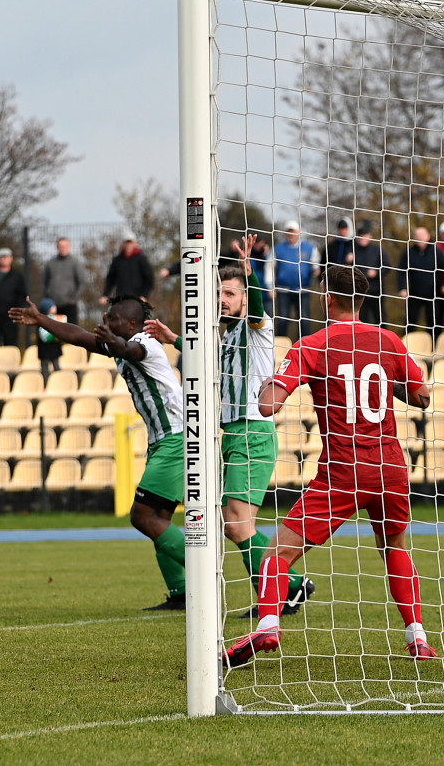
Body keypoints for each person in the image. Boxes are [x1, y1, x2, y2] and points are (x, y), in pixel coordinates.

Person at [225, 264, 436, 667]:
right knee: (393, 545)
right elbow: (423, 398)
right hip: (391, 466)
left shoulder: (313, 344)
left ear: (327, 298)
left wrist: (274, 381)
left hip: (344, 470)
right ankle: (418, 638)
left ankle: (268, 623)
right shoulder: (389, 340)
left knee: (277, 554)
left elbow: (268, 405)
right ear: (361, 299)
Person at [145, 235, 312, 618]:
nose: (223, 299)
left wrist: (251, 277)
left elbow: (256, 309)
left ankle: (287, 588)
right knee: (234, 524)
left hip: (253, 433)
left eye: (231, 293)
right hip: (235, 435)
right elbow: (207, 357)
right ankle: (285, 590)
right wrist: (173, 338)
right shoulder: (227, 333)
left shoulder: (257, 325)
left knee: (236, 526)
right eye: (219, 292)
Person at [11, 295, 187, 610]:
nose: (106, 322)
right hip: (164, 439)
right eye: (106, 317)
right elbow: (78, 337)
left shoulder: (142, 342)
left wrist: (115, 342)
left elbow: (132, 351)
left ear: (132, 324)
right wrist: (41, 320)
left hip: (176, 439)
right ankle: (182, 592)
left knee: (142, 516)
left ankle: (204, 569)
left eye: (114, 319)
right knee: (159, 518)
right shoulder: (119, 342)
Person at [272, 220, 319, 340]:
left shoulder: (309, 248)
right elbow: (270, 268)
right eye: (289, 232)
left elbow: (316, 264)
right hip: (283, 290)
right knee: (283, 319)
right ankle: (281, 349)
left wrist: (316, 270)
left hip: (303, 290)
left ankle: (304, 346)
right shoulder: (278, 249)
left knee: (304, 319)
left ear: (298, 232)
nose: (291, 234)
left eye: (293, 232)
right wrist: (271, 286)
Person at [397, 226, 438, 335]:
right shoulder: (409, 252)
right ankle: (407, 345)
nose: (420, 238)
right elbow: (401, 271)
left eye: (422, 236)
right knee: (410, 321)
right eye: (417, 236)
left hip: (433, 293)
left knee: (433, 321)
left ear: (428, 236)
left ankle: (433, 346)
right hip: (414, 292)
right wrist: (403, 288)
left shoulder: (435, 251)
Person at [351, 222, 392, 329]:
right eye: (360, 236)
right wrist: (348, 261)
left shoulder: (377, 250)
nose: (362, 238)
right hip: (359, 292)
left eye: (365, 235)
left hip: (376, 290)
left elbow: (387, 266)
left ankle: (384, 341)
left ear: (370, 236)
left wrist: (377, 273)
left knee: (380, 318)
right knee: (361, 319)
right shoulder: (352, 250)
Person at [100, 231, 153, 306]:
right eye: (126, 242)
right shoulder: (117, 260)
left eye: (130, 242)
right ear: (123, 244)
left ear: (135, 244)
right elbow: (110, 280)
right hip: (121, 299)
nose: (128, 245)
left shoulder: (141, 259)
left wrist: (144, 296)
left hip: (137, 300)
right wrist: (105, 295)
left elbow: (149, 279)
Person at [42, 237, 86, 325]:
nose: (63, 248)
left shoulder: (75, 263)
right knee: (52, 336)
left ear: (69, 247)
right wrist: (47, 301)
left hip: (69, 305)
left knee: (71, 334)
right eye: (61, 246)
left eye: (65, 246)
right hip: (53, 306)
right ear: (57, 247)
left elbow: (82, 283)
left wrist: (73, 299)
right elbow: (44, 283)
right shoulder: (50, 263)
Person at [36, 298, 63, 384]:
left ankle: (60, 383)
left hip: (55, 348)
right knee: (44, 368)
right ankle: (46, 384)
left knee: (56, 367)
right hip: (44, 350)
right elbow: (42, 335)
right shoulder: (40, 320)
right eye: (52, 306)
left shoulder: (57, 319)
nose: (55, 308)